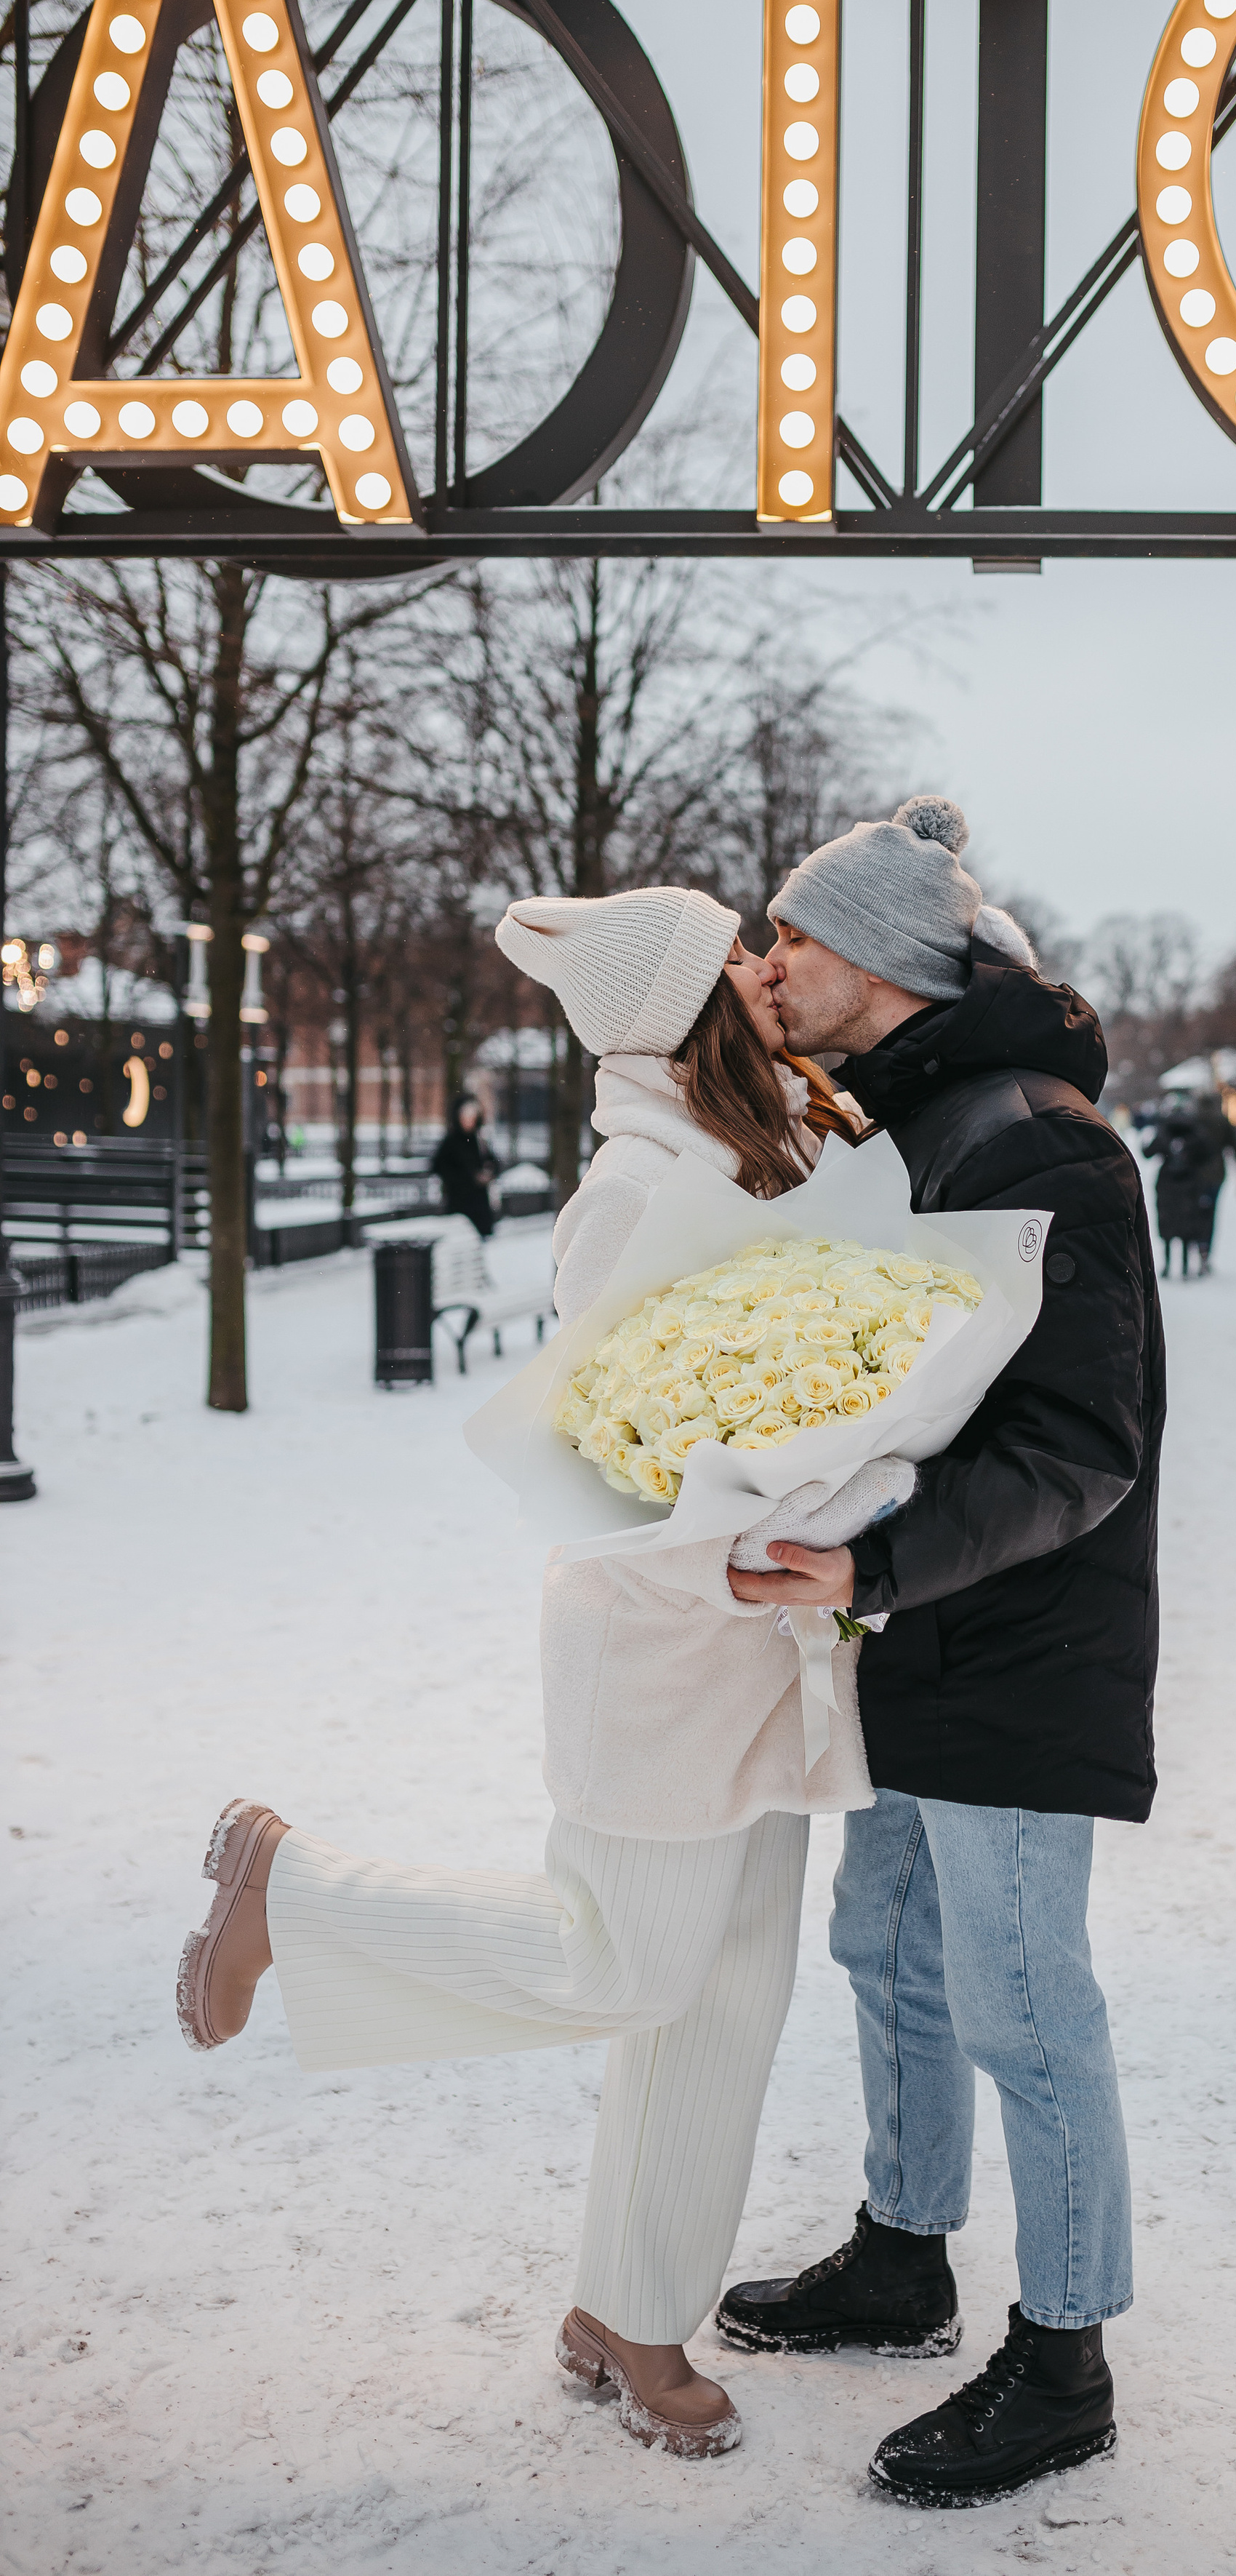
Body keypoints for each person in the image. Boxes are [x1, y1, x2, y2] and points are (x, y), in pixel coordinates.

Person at [175, 889, 876, 2463]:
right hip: (664, 1641)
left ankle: (627, 2311)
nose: (772, 979)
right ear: (684, 1009)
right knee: (619, 1962)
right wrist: (748, 1548)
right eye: (740, 966)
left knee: (728, 1999)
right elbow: (610, 1455)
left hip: (762, 1643)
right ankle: (291, 1892)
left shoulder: (763, 1145)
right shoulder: (640, 1186)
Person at [723, 793, 1163, 2511]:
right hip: (908, 1623)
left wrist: (880, 1554)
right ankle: (904, 2249)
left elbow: (1079, 1443)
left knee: (1022, 1995)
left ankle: (1063, 2355)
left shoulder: (1039, 1139)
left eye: (789, 937)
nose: (767, 962)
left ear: (887, 962)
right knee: (887, 1943)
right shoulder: (908, 1123)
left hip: (1014, 1637)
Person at [1143, 1095, 1230, 1276]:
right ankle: (1185, 1265)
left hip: (1167, 1183)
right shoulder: (1195, 1131)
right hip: (1190, 1183)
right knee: (1188, 1222)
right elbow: (1208, 1152)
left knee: (1167, 1222)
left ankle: (1167, 1265)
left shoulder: (1164, 1130)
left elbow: (1148, 1151)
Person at [430, 1088, 499, 1236]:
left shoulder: (480, 1141)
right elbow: (439, 1168)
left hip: (479, 1206)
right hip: (459, 1204)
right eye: (466, 1116)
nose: (469, 1121)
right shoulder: (451, 1142)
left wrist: (488, 1174)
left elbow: (494, 1163)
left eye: (472, 1116)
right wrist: (470, 1178)